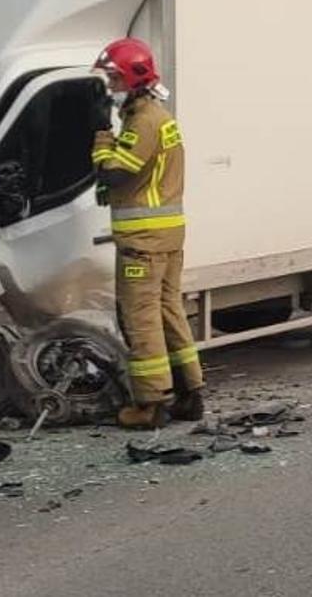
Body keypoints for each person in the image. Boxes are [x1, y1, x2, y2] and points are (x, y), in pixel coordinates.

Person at [91, 38, 205, 428]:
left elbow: (116, 172)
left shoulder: (143, 122)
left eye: (112, 77)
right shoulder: (157, 115)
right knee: (169, 312)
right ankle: (190, 394)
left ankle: (150, 404)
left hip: (144, 240)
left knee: (140, 318)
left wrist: (102, 134)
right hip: (167, 236)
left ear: (131, 78)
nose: (109, 85)